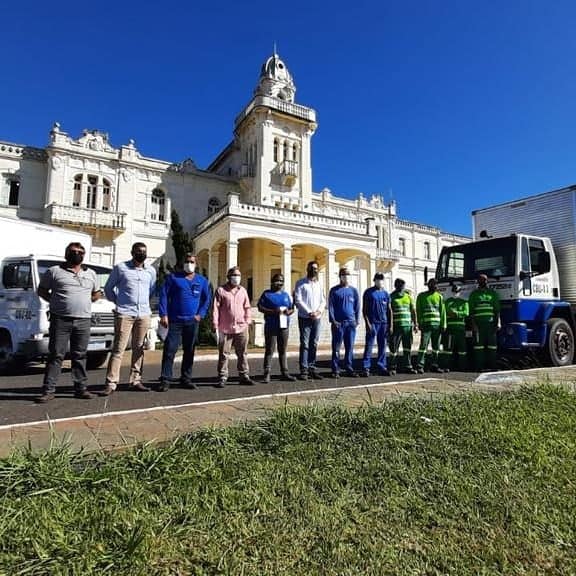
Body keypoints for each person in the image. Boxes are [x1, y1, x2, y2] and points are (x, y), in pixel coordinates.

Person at [36, 242, 101, 403]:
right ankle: (48, 390)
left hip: (83, 320)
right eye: (73, 251)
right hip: (61, 319)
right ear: (66, 253)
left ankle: (81, 388)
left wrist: (85, 301)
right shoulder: (54, 271)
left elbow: (97, 293)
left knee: (80, 355)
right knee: (56, 355)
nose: (77, 254)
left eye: (80, 252)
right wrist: (55, 302)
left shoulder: (91, 274)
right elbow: (42, 290)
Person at [100, 242, 157, 395]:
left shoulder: (151, 271)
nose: (141, 254)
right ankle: (111, 383)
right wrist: (118, 301)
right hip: (125, 313)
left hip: (143, 313)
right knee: (119, 348)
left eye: (144, 251)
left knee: (139, 348)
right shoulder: (121, 268)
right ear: (132, 252)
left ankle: (135, 380)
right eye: (138, 251)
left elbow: (151, 290)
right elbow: (108, 288)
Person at [157, 253, 211, 392]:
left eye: (192, 261)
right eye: (187, 261)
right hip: (175, 321)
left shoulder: (202, 280)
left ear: (196, 264)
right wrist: (163, 314)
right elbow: (163, 295)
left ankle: (186, 378)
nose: (189, 264)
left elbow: (206, 299)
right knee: (170, 350)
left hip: (192, 322)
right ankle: (165, 379)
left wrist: (201, 314)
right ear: (183, 263)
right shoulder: (173, 278)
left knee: (189, 350)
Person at [213, 266, 254, 387]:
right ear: (229, 277)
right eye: (234, 275)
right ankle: (222, 376)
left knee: (242, 353)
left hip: (241, 327)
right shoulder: (221, 291)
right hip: (225, 328)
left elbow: (247, 306)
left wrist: (248, 321)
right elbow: (216, 308)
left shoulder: (243, 291)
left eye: (238, 275)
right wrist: (215, 324)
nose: (237, 278)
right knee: (224, 353)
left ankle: (244, 375)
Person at [257, 273, 296, 383]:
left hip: (284, 325)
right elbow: (260, 307)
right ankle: (267, 373)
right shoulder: (267, 294)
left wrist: (289, 312)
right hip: (271, 325)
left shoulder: (285, 295)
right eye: (277, 281)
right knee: (270, 349)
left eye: (281, 281)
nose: (279, 283)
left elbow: (291, 308)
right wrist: (273, 312)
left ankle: (285, 372)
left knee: (282, 350)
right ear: (272, 282)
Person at [294, 261, 326, 381]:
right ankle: (304, 370)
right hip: (304, 318)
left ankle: (312, 368)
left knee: (314, 343)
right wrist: (309, 312)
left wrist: (318, 312)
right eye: (312, 268)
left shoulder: (319, 284)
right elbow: (298, 300)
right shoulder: (300, 283)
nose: (314, 270)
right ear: (307, 269)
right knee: (305, 344)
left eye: (316, 268)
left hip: (317, 318)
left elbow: (323, 300)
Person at [328, 267, 360, 378]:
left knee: (350, 347)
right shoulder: (334, 290)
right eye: (343, 275)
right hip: (339, 323)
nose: (346, 276)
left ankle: (349, 367)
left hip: (351, 323)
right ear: (340, 276)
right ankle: (335, 369)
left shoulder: (353, 291)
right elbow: (331, 306)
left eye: (347, 274)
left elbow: (357, 307)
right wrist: (333, 320)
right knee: (336, 348)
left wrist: (357, 320)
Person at [361, 272, 391, 377]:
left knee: (382, 346)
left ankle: (381, 366)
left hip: (383, 323)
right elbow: (364, 310)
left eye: (381, 279)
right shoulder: (368, 292)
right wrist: (367, 323)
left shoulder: (386, 294)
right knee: (369, 345)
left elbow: (389, 310)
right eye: (378, 279)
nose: (380, 281)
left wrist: (390, 325)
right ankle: (366, 367)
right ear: (374, 280)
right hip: (373, 323)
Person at [468, 273, 500, 371]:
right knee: (479, 347)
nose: (483, 282)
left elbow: (497, 310)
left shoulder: (492, 294)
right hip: (479, 325)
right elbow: (471, 312)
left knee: (492, 346)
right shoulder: (474, 294)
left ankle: (493, 366)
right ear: (478, 282)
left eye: (485, 280)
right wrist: (474, 325)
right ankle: (479, 367)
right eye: (481, 280)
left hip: (491, 324)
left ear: (487, 281)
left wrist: (498, 323)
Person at [415, 278, 446, 374]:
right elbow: (418, 311)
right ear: (428, 285)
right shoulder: (421, 296)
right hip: (426, 326)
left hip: (437, 326)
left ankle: (435, 365)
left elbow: (442, 312)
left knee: (436, 347)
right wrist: (419, 323)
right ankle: (420, 366)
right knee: (423, 346)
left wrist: (443, 325)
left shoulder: (439, 297)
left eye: (436, 285)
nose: (434, 286)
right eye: (432, 284)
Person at [389, 278, 417, 375]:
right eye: (399, 285)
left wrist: (415, 324)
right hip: (396, 327)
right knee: (394, 348)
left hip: (407, 327)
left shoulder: (408, 297)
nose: (401, 287)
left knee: (407, 348)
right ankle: (393, 367)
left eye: (402, 285)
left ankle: (408, 366)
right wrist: (390, 326)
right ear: (395, 286)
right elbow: (389, 312)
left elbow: (413, 311)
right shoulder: (391, 297)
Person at [439, 284, 469, 372]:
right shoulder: (448, 302)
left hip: (460, 330)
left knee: (462, 349)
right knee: (448, 349)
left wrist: (456, 313)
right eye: (454, 291)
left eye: (457, 291)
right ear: (452, 291)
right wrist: (459, 313)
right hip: (450, 330)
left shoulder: (464, 302)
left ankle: (462, 366)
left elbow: (466, 312)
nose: (456, 293)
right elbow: (447, 311)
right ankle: (446, 366)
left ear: (460, 292)